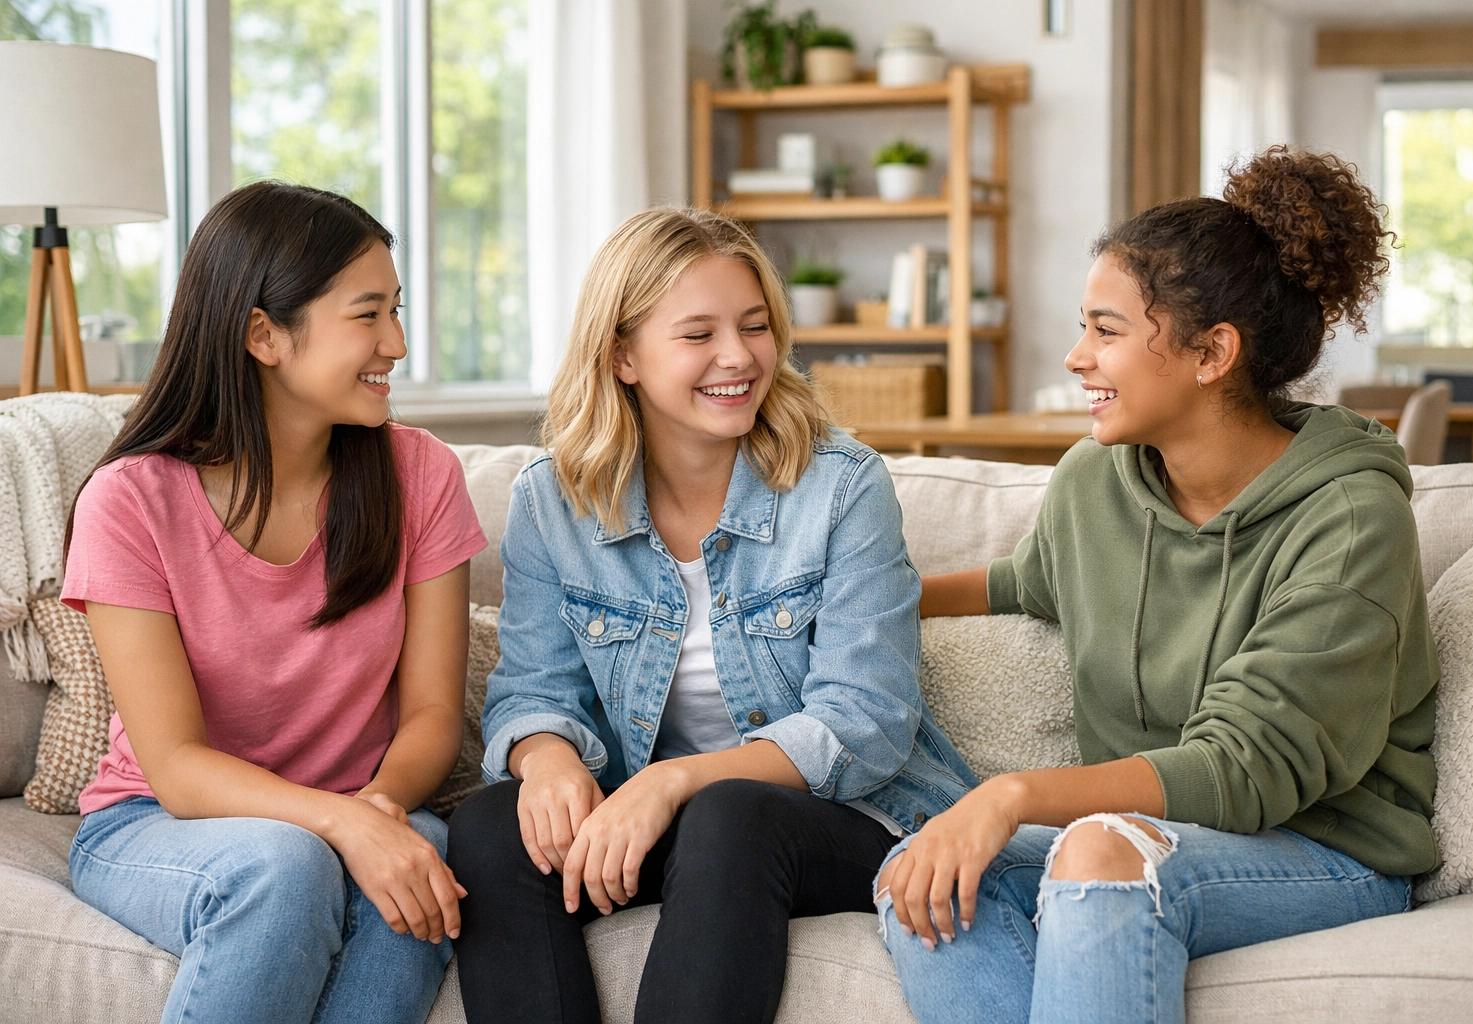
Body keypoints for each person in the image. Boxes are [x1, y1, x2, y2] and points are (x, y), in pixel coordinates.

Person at [878, 146, 1439, 1024]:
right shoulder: (1095, 483)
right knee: (924, 870)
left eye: (1106, 330)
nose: (1075, 357)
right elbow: (1028, 581)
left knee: (1104, 853)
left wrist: (1011, 794)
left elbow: (1245, 769)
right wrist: (853, 597)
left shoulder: (1352, 521)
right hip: (1133, 840)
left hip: (1328, 852)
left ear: (1212, 352)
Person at [446, 207, 976, 1024]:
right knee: (490, 825)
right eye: (699, 334)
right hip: (665, 826)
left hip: (841, 819)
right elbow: (532, 689)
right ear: (623, 355)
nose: (739, 357)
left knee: (728, 814)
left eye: (756, 326)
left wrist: (675, 780)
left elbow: (865, 721)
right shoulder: (552, 501)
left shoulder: (841, 486)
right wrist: (547, 761)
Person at [63, 181, 487, 1024]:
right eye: (368, 316)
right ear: (263, 334)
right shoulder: (131, 501)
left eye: (397, 311)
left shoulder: (422, 475)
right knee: (287, 864)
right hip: (157, 824)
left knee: (420, 858)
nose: (396, 344)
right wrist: (340, 827)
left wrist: (371, 816)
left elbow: (433, 713)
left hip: (359, 803)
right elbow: (178, 767)